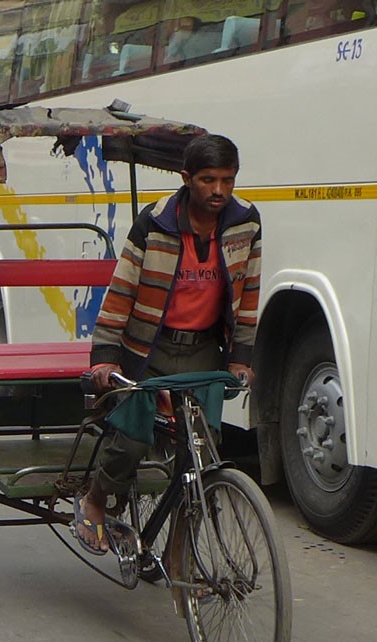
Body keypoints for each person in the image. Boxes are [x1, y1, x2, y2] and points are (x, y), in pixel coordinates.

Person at [75, 133, 261, 554]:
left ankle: (181, 545)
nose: (218, 191)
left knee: (201, 450)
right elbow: (121, 291)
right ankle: (96, 498)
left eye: (227, 180)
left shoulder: (246, 222)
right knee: (133, 440)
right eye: (208, 180)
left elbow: (249, 293)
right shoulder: (155, 222)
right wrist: (104, 358)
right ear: (186, 179)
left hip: (202, 350)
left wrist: (241, 357)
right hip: (147, 350)